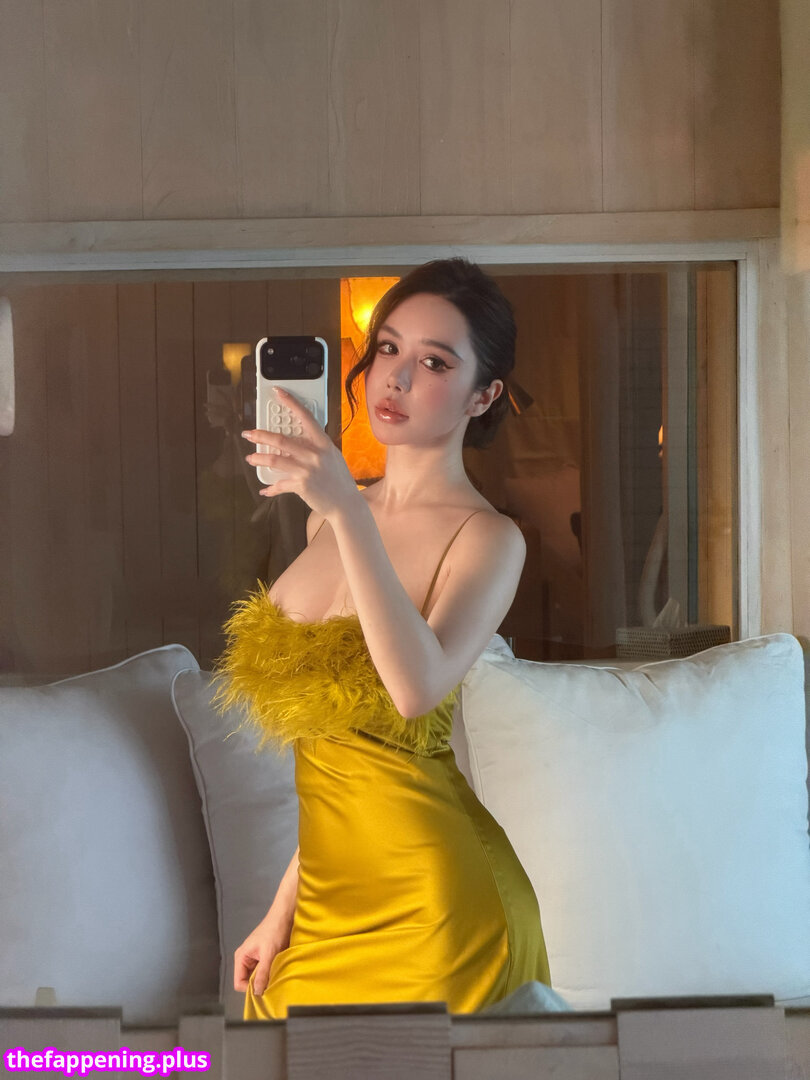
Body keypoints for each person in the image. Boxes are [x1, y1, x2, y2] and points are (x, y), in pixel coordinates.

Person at [210, 257, 552, 1019]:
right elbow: (338, 758)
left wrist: (349, 512)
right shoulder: (325, 519)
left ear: (483, 395)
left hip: (438, 904)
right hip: (325, 904)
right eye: (388, 348)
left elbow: (414, 691)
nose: (394, 377)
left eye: (435, 362)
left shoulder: (487, 538)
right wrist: (281, 910)